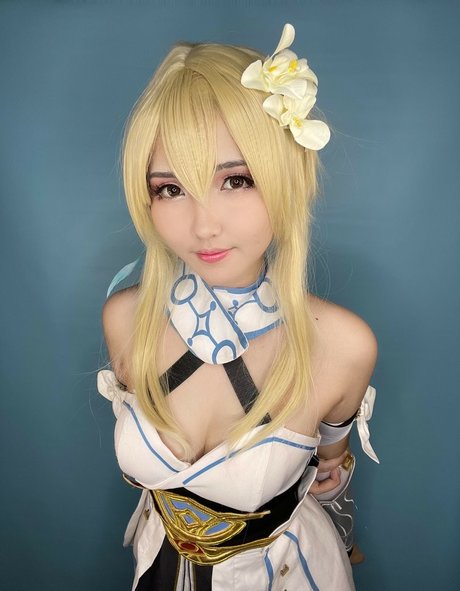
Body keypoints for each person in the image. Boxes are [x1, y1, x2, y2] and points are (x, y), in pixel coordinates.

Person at [98, 23, 379, 591]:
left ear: (285, 176)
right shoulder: (126, 320)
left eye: (236, 180)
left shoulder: (343, 345)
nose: (204, 225)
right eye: (170, 189)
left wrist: (345, 539)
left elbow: (332, 473)